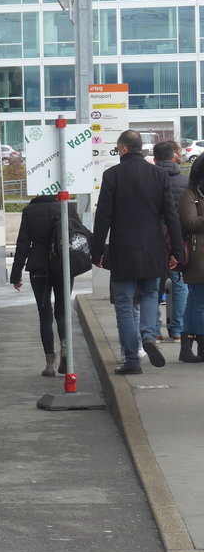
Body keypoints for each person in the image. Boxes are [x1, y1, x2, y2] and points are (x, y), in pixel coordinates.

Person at [92, 129, 184, 375]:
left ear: (123, 148)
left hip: (123, 250)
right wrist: (176, 250)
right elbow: (171, 216)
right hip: (154, 249)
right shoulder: (158, 175)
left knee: (124, 303)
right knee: (150, 294)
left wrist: (97, 251)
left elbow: (103, 218)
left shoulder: (112, 175)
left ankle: (132, 359)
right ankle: (149, 336)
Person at [10, 194, 84, 376]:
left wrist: (16, 275)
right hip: (63, 265)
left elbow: (22, 244)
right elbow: (78, 235)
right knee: (62, 312)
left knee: (44, 315)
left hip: (38, 266)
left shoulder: (29, 211)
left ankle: (50, 364)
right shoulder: (68, 208)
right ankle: (65, 348)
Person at [154, 140, 189, 350]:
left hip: (154, 240)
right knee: (180, 285)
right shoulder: (186, 182)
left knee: (153, 286)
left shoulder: (150, 180)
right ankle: (178, 331)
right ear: (174, 157)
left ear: (155, 159)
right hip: (179, 241)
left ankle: (155, 331)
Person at [177, 155, 204, 362]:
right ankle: (200, 346)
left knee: (194, 301)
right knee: (200, 302)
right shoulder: (190, 195)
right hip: (197, 258)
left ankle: (186, 347)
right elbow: (191, 223)